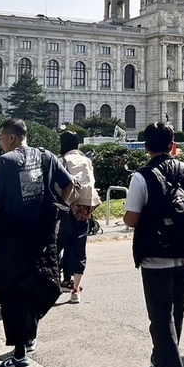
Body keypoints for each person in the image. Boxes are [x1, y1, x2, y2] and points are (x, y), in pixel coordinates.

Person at [0, 119, 76, 367]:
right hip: (43, 236)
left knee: (12, 293)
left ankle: (20, 354)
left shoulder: (5, 161)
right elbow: (69, 185)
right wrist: (55, 211)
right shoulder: (46, 156)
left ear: (11, 138)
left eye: (1, 137)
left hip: (13, 239)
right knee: (40, 284)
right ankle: (30, 335)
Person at [124, 122, 184, 367]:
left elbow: (132, 219)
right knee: (177, 312)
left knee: (160, 318)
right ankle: (161, 361)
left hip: (155, 255)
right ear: (173, 144)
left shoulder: (141, 177)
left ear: (146, 147)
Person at [56, 130, 101, 304]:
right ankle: (75, 290)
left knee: (57, 246)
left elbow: (58, 185)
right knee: (78, 248)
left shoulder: (63, 160)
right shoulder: (86, 160)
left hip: (66, 209)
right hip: (85, 211)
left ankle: (53, 282)